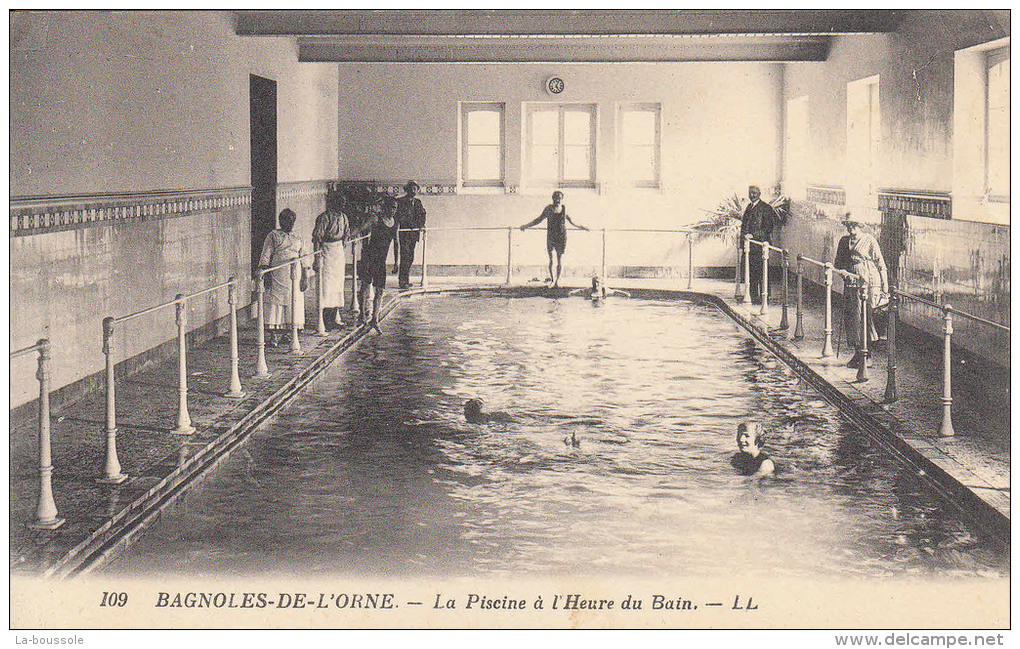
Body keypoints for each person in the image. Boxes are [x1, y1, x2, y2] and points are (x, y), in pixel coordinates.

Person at [833, 216, 889, 368]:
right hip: (851, 281)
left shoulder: (869, 240)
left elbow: (881, 264)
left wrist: (885, 286)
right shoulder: (844, 241)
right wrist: (842, 272)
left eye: (854, 226)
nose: (851, 230)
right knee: (852, 316)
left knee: (865, 316)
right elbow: (838, 263)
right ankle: (858, 352)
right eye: (849, 226)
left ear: (860, 226)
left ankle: (866, 355)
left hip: (869, 281)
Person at [258, 208, 311, 346]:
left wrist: (305, 276)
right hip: (278, 273)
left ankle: (289, 333)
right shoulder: (273, 236)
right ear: (281, 221)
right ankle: (273, 336)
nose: (288, 223)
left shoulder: (298, 237)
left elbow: (304, 257)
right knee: (274, 303)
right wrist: (266, 275)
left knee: (293, 301)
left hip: (295, 275)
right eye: (285, 220)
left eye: (291, 221)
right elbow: (266, 255)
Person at [519, 191, 589, 288]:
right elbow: (538, 220)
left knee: (560, 260)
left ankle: (557, 280)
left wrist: (583, 227)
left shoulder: (564, 209)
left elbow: (573, 222)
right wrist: (526, 226)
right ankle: (552, 280)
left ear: (562, 199)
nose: (557, 200)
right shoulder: (548, 209)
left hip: (561, 237)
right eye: (555, 198)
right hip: (551, 236)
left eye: (559, 198)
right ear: (552, 198)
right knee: (551, 259)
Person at [355, 195, 399, 332]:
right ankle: (362, 314)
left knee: (380, 290)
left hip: (381, 261)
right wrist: (350, 235)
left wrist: (397, 262)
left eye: (395, 208)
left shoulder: (395, 223)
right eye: (391, 207)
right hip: (369, 257)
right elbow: (361, 228)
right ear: (384, 207)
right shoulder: (375, 219)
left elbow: (396, 243)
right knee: (365, 287)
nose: (392, 211)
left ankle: (375, 318)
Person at [312, 191, 351, 330]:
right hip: (326, 252)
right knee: (327, 286)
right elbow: (317, 238)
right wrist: (317, 259)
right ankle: (325, 320)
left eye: (344, 202)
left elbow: (347, 233)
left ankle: (334, 317)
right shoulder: (324, 217)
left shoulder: (344, 217)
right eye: (340, 202)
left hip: (338, 253)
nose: (342, 205)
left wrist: (343, 243)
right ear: (334, 202)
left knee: (337, 285)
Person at [739, 185, 780, 304]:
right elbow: (744, 227)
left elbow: (768, 228)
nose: (752, 195)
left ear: (759, 194)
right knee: (751, 273)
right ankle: (753, 296)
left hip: (760, 246)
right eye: (750, 193)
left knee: (762, 273)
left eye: (754, 193)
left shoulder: (766, 208)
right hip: (750, 247)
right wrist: (743, 244)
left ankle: (764, 297)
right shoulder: (749, 207)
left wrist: (753, 235)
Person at [395, 181, 427, 289]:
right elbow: (398, 216)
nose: (413, 191)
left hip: (413, 234)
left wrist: (421, 225)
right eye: (411, 189)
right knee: (404, 256)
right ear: (407, 189)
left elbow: (422, 215)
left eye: (415, 189)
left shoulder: (418, 202)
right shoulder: (400, 201)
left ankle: (406, 280)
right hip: (404, 232)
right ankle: (402, 281)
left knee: (410, 257)